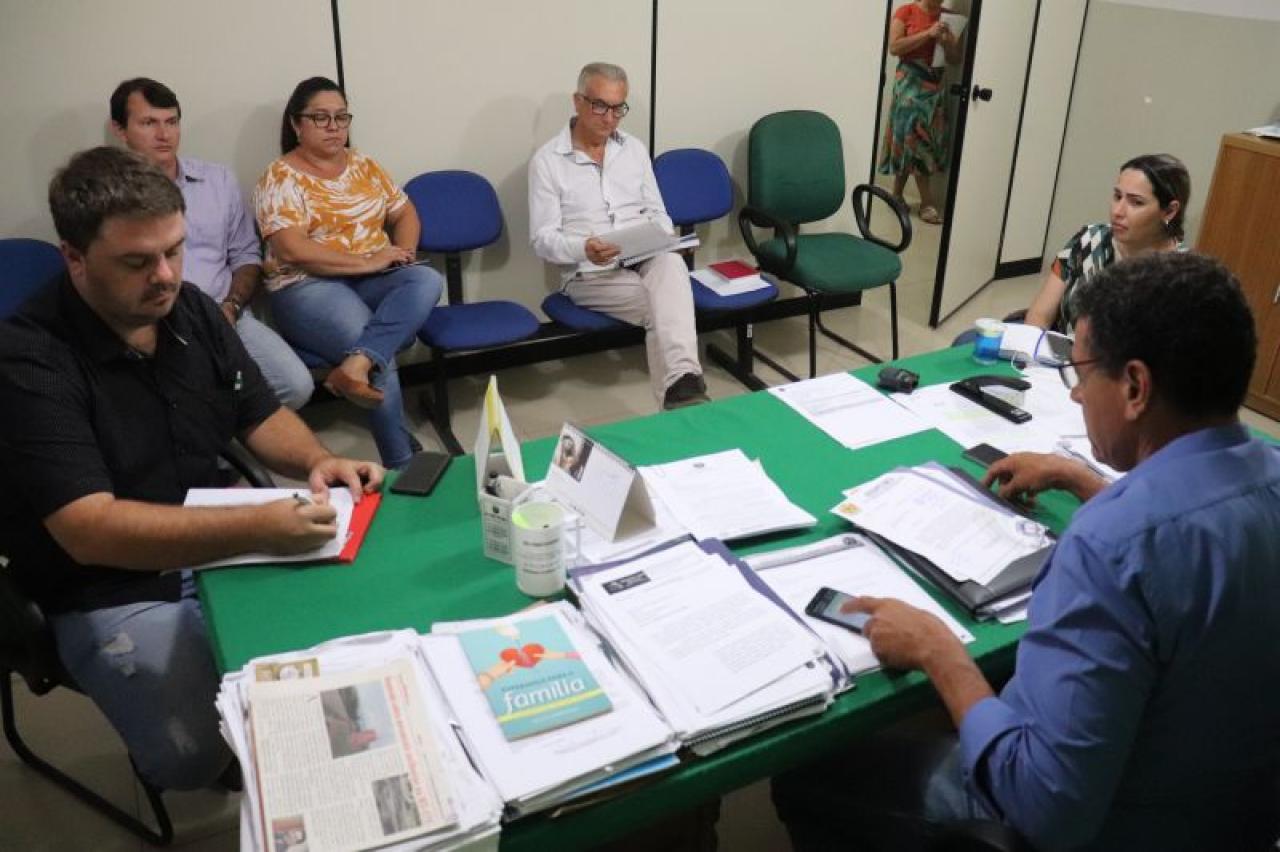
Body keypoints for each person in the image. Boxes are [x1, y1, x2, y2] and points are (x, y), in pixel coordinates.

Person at [773, 252, 1280, 851]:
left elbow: (1043, 808)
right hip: (1236, 816)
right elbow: (1193, 521)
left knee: (806, 774)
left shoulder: (1108, 548)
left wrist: (940, 654)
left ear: (1135, 387)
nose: (1076, 395)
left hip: (1110, 828)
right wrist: (1080, 478)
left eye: (1081, 371)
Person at [0, 146, 385, 791]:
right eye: (136, 262)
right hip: (105, 583)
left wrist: (319, 460)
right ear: (74, 257)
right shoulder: (29, 361)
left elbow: (259, 414)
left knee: (347, 649)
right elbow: (90, 530)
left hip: (215, 534)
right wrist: (258, 528)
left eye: (174, 251)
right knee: (193, 754)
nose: (165, 276)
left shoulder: (191, 310)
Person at [255, 76, 442, 469]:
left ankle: (353, 368)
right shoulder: (280, 176)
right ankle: (401, 464)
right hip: (306, 286)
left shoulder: (363, 165)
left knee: (426, 279)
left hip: (369, 278)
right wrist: (367, 262)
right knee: (373, 345)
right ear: (296, 124)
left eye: (341, 117)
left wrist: (403, 254)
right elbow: (292, 249)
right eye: (320, 118)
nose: (334, 127)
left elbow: (404, 212)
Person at [109, 77, 313, 409]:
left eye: (171, 122)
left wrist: (231, 306)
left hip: (225, 314)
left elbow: (246, 255)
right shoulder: (109, 196)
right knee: (184, 398)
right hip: (155, 325)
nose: (164, 134)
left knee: (295, 385)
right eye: (149, 123)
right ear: (120, 130)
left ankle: (224, 429)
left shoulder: (217, 180)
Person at [529, 61, 708, 411]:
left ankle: (683, 391)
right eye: (600, 106)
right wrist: (583, 248)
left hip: (645, 258)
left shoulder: (634, 149)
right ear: (578, 101)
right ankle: (684, 390)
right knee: (667, 308)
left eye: (618, 108)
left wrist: (660, 235)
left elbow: (658, 213)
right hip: (590, 274)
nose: (610, 119)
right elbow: (542, 240)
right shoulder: (548, 161)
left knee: (672, 264)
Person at [1025, 152, 1190, 333]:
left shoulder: (1183, 276)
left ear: (1169, 211)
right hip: (1060, 350)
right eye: (1118, 196)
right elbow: (1039, 315)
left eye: (1136, 202)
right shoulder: (1088, 239)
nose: (1118, 211)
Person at [878, 0, 963, 226]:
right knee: (917, 139)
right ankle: (927, 202)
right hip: (909, 83)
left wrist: (948, 42)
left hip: (934, 86)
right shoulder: (906, 11)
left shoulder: (949, 17)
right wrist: (928, 34)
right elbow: (894, 47)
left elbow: (955, 59)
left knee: (911, 140)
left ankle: (896, 195)